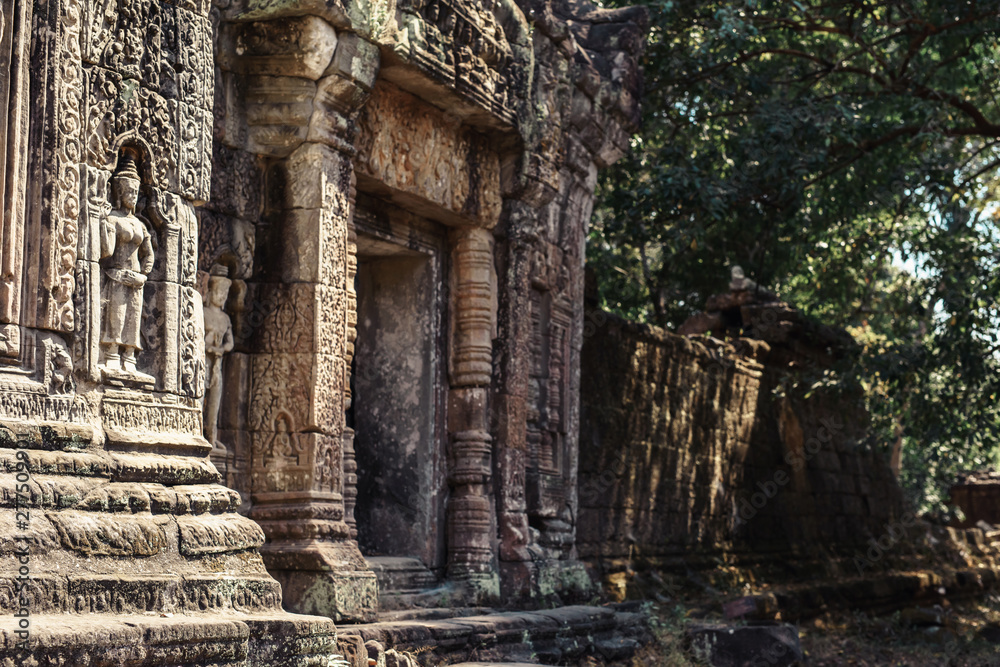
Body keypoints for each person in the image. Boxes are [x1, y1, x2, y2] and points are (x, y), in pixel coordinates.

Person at [101, 154, 154, 373]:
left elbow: (148, 254)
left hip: (136, 277)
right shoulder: (113, 219)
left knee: (133, 318)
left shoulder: (140, 225)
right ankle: (112, 352)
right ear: (119, 193)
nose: (133, 196)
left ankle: (130, 356)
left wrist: (144, 274)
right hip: (117, 274)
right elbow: (107, 252)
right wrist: (106, 226)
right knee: (117, 314)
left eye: (136, 192)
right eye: (129, 192)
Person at [203, 264, 234, 445]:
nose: (221, 296)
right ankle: (197, 432)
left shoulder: (225, 319)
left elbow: (230, 342)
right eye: (219, 292)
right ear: (210, 291)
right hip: (204, 362)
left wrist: (222, 349)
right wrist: (208, 347)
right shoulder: (203, 312)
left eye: (225, 293)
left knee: (215, 402)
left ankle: (211, 436)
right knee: (200, 398)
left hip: (217, 364)